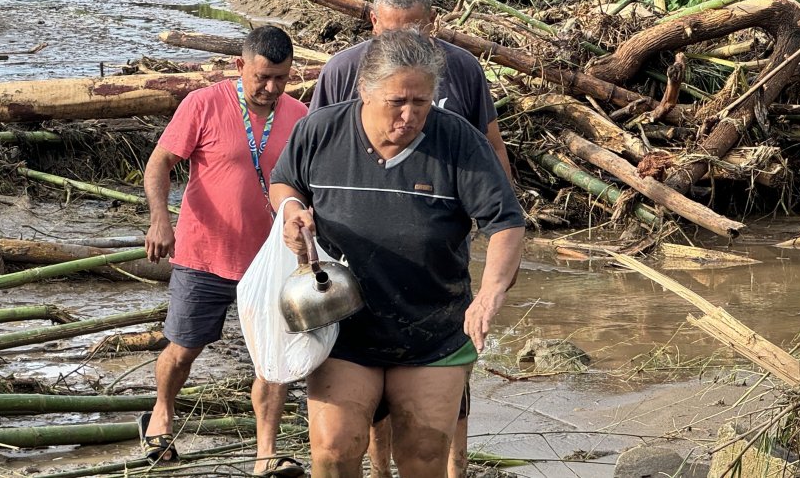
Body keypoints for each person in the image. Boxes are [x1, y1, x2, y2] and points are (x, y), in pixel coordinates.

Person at [270, 30, 525, 478]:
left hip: (433, 326)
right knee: (332, 451)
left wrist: (489, 294)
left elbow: (505, 223)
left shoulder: (458, 142)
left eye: (422, 103)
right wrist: (292, 210)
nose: (410, 116)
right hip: (342, 324)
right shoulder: (320, 131)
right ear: (365, 90)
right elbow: (285, 181)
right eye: (397, 101)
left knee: (423, 456)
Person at [141, 25, 308, 478]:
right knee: (182, 349)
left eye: (281, 78)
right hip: (205, 254)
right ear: (240, 66)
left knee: (273, 358)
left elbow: (310, 186)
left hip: (272, 261)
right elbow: (160, 162)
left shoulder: (300, 116)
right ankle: (161, 411)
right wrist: (161, 219)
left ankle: (265, 454)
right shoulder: (203, 104)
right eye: (262, 77)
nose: (271, 88)